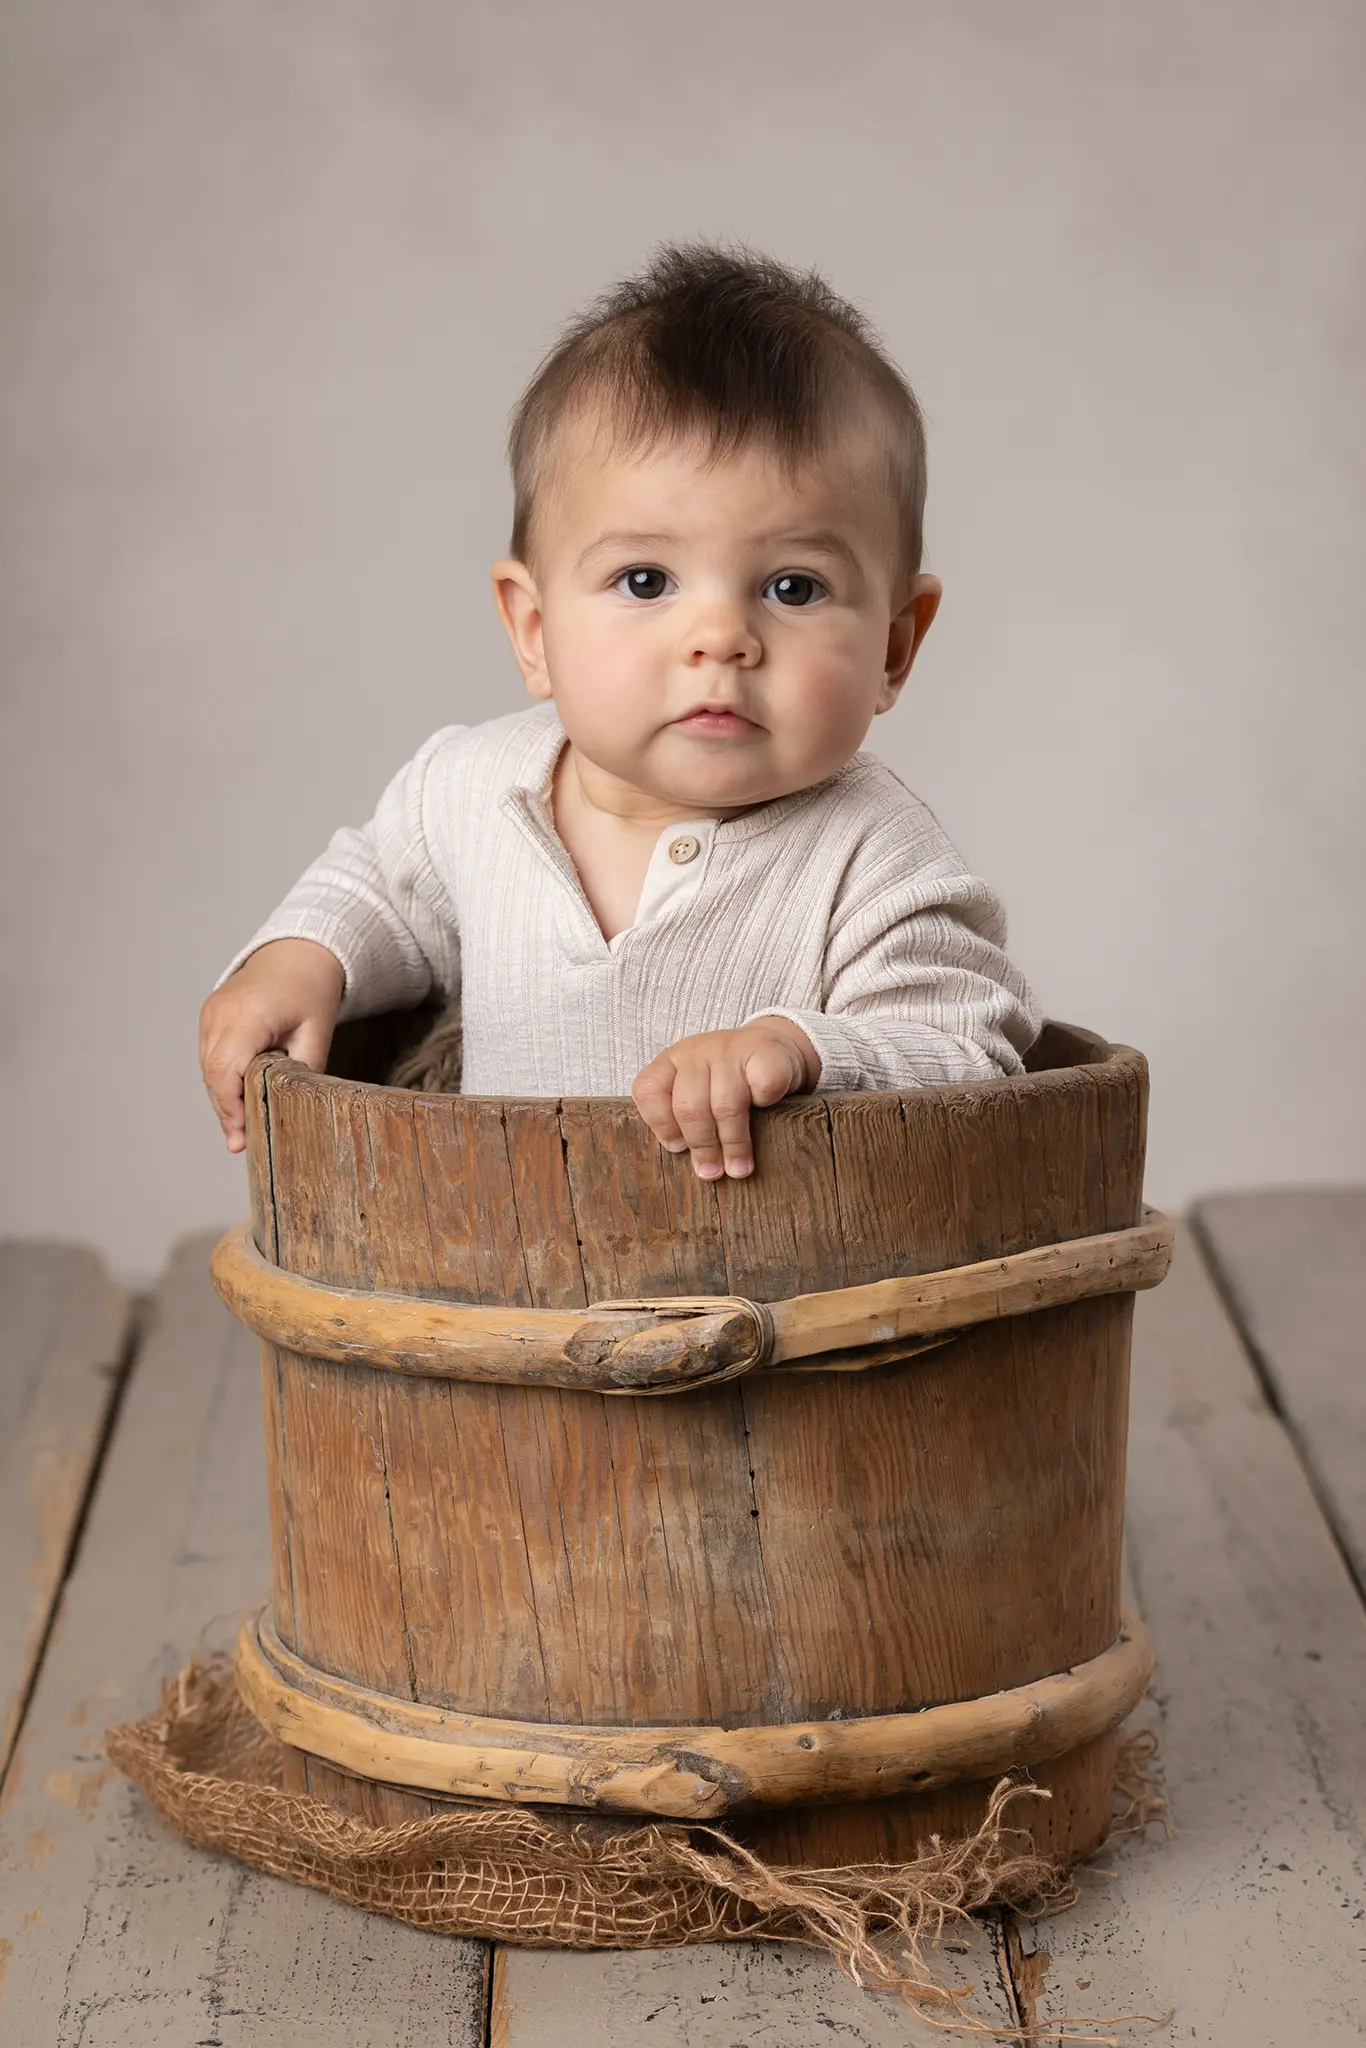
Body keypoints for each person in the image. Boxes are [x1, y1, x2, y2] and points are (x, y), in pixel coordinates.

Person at [200, 244, 1039, 1183]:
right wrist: (301, 958)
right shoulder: (474, 789)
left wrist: (807, 1050)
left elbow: (970, 1054)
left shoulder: (875, 859)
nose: (720, 637)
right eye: (646, 580)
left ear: (894, 646)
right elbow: (377, 889)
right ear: (533, 627)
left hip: (773, 1310)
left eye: (794, 587)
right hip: (493, 1283)